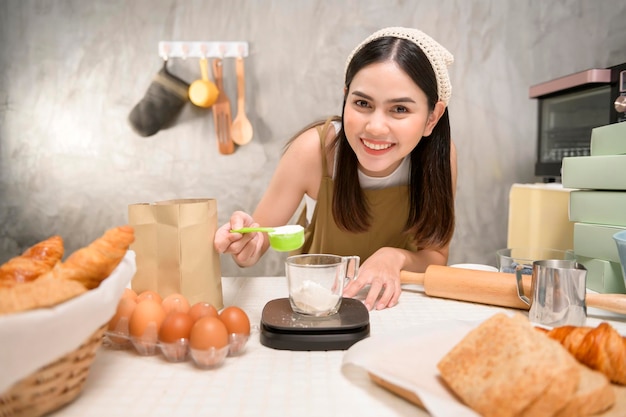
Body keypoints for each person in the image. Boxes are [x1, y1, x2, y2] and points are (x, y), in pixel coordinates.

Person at [214, 27, 457, 310]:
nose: (375, 127)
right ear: (345, 98)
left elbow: (436, 256)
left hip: (395, 310)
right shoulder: (313, 152)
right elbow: (259, 240)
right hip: (318, 310)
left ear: (432, 118)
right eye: (362, 103)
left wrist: (395, 257)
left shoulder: (438, 160)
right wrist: (247, 244)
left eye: (400, 109)